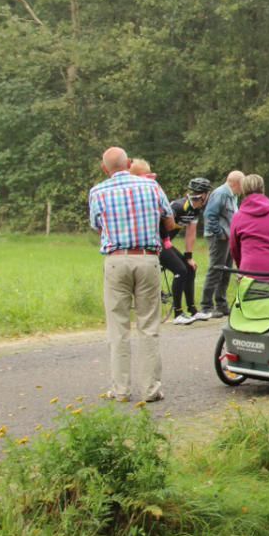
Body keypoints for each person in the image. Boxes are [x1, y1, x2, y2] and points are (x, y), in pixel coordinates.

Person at [89, 147, 173, 403]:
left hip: (116, 260)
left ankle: (121, 389)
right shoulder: (151, 187)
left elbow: (96, 225)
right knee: (148, 326)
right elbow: (169, 221)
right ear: (128, 163)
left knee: (118, 328)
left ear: (105, 168)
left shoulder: (97, 191)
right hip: (147, 258)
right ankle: (151, 389)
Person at [162, 177, 213, 325]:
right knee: (181, 270)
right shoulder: (178, 206)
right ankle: (178, 313)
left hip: (166, 243)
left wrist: (189, 257)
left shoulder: (195, 209)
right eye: (208, 193)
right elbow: (160, 223)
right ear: (203, 195)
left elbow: (191, 234)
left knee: (189, 268)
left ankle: (193, 310)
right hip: (157, 243)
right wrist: (164, 241)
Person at [201, 170, 243, 318]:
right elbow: (209, 215)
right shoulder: (221, 193)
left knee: (225, 270)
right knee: (216, 269)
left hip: (228, 238)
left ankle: (221, 305)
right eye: (241, 185)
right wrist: (220, 234)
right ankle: (206, 306)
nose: (243, 189)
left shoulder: (233, 196)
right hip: (219, 239)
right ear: (235, 183)